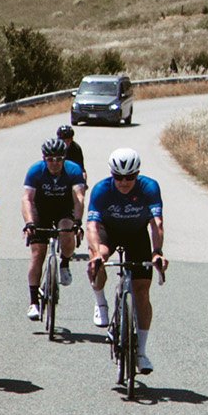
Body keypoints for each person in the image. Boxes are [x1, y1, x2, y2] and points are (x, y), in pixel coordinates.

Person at [86, 146, 165, 375]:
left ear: (137, 174)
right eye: (118, 177)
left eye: (130, 177)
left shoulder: (149, 187)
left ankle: (140, 352)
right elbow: (92, 226)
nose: (124, 182)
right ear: (112, 174)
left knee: (141, 291)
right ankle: (100, 301)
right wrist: (97, 254)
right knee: (96, 261)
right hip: (108, 233)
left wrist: (157, 251)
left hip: (136, 235)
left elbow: (156, 223)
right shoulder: (102, 190)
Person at [21, 133, 84, 319]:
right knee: (37, 252)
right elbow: (27, 199)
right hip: (41, 210)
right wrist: (29, 223)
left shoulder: (73, 170)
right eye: (50, 159)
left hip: (64, 209)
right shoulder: (35, 171)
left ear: (64, 158)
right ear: (44, 159)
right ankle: (33, 302)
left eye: (58, 159)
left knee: (66, 230)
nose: (54, 163)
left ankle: (64, 264)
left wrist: (78, 223)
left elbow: (79, 197)